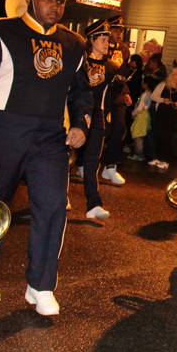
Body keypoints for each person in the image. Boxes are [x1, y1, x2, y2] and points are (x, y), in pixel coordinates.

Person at [0, 0, 93, 316]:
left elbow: (81, 93)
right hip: (3, 130)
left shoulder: (74, 44)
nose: (54, 5)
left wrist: (80, 124)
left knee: (52, 207)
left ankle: (41, 285)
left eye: (60, 0)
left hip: (50, 136)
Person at [79, 19, 119, 220]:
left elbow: (108, 96)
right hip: (77, 115)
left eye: (107, 40)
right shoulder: (80, 62)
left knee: (92, 162)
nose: (106, 43)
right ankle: (60, 197)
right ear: (91, 40)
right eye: (102, 39)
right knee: (65, 159)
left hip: (97, 116)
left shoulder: (111, 67)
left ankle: (93, 204)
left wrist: (107, 121)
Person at [101, 15, 132, 185]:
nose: (118, 34)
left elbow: (124, 73)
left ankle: (111, 166)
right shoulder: (100, 44)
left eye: (120, 30)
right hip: (102, 92)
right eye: (115, 30)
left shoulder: (124, 50)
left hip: (117, 93)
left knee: (118, 129)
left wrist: (126, 91)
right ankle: (84, 164)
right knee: (97, 128)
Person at [148, 60, 177, 169]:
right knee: (158, 135)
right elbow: (153, 96)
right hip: (162, 113)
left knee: (168, 137)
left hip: (172, 116)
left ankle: (166, 160)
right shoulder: (163, 85)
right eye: (176, 75)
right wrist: (163, 100)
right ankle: (158, 157)